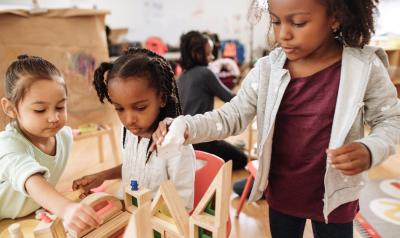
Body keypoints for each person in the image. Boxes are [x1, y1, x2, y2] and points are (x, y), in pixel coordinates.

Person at [152, 0, 400, 237]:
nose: (283, 35)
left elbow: (390, 120)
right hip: (283, 192)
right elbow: (232, 115)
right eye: (276, 22)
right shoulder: (267, 69)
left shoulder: (363, 67)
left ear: (335, 18)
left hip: (336, 196)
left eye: (299, 23)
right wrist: (185, 126)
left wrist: (370, 149)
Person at [72, 48, 195, 210]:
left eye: (140, 107)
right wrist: (102, 176)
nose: (129, 120)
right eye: (119, 109)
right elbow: (133, 167)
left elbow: (182, 205)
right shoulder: (130, 133)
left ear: (162, 98)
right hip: (127, 209)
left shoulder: (176, 143)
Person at [0, 55, 101, 232]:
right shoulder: (8, 145)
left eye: (60, 107)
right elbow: (31, 180)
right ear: (11, 109)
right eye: (40, 110)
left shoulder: (63, 135)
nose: (54, 118)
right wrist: (66, 208)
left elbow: (70, 132)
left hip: (29, 214)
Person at [178, 30, 247, 170]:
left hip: (185, 142)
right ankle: (209, 166)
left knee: (230, 147)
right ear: (196, 54)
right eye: (209, 53)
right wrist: (249, 93)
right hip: (203, 139)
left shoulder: (181, 78)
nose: (213, 57)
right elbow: (231, 98)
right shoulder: (205, 73)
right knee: (242, 159)